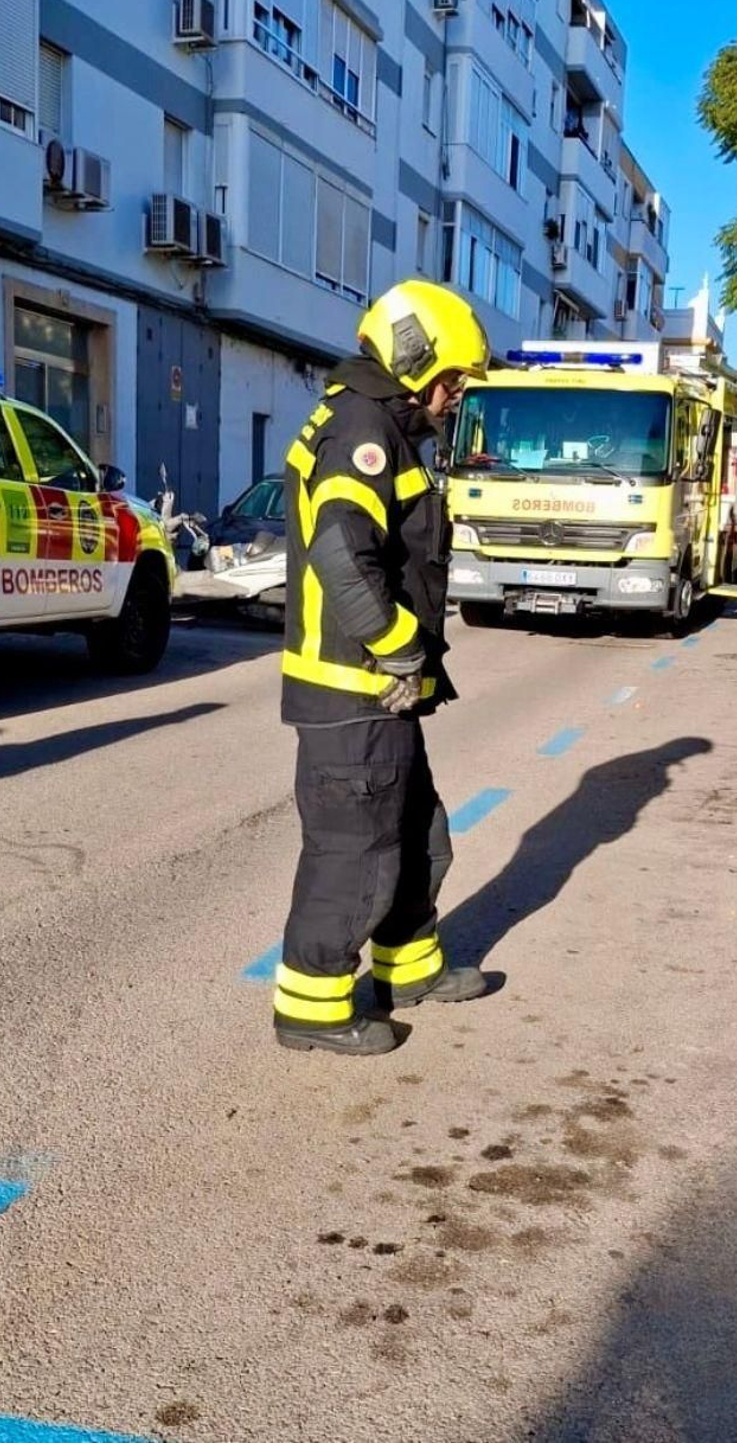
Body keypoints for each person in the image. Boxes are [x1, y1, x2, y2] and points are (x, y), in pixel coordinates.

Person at [273, 281, 493, 1056]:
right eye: (453, 376)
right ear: (416, 360)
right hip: (355, 690)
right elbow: (340, 551)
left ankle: (409, 971)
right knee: (353, 854)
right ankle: (313, 1006)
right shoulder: (362, 430)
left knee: (417, 833)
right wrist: (397, 647)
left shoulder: (383, 427)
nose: (455, 393)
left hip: (382, 695)